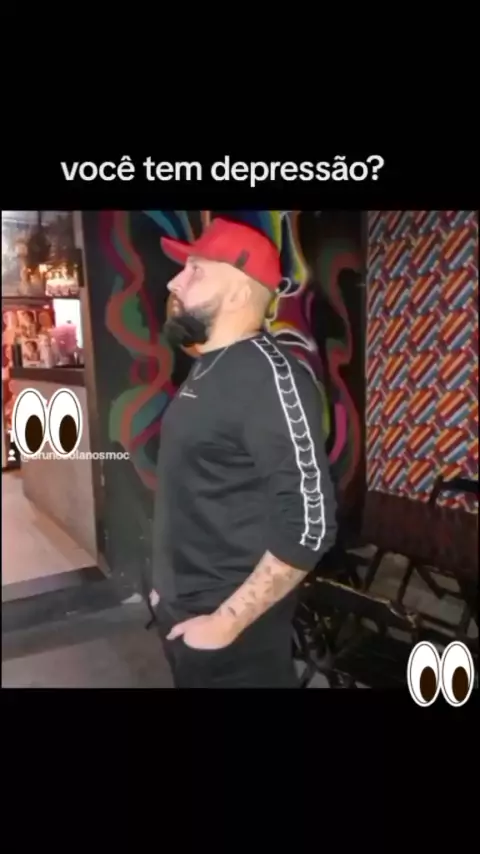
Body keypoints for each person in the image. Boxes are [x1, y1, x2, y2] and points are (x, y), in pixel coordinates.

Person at [150, 217, 337, 688]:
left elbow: (311, 525)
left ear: (237, 294)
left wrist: (226, 622)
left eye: (195, 270)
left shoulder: (270, 378)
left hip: (233, 631)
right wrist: (164, 587)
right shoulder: (209, 364)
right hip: (182, 608)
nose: (174, 282)